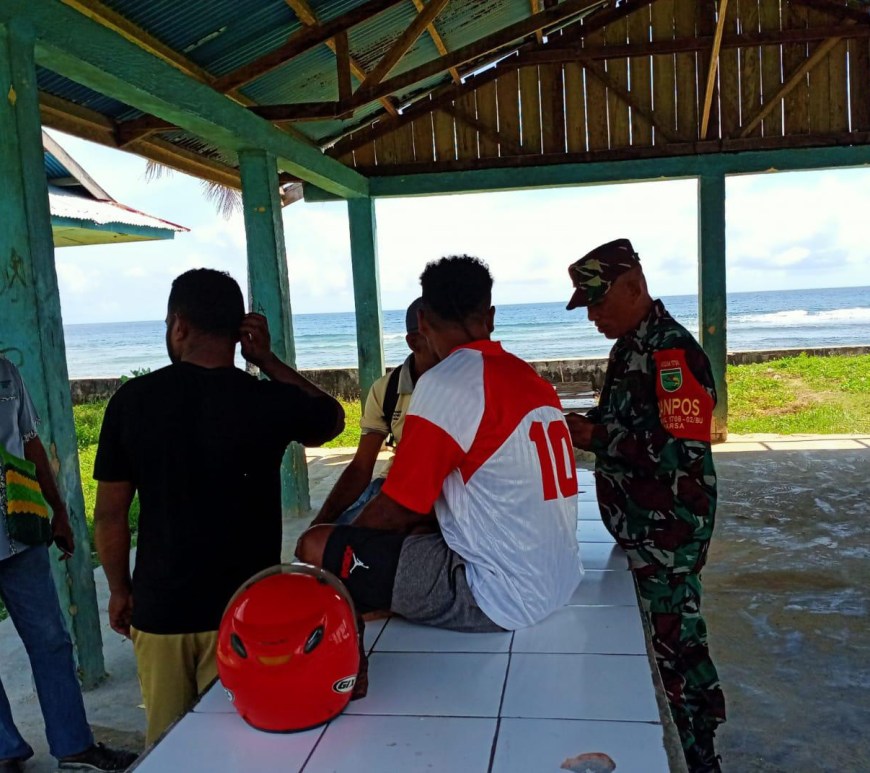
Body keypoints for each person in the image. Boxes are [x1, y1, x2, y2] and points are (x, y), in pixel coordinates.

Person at [93, 269, 344, 746]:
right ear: (240, 330)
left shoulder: (133, 401)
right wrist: (267, 360)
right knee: (239, 742)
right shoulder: (266, 400)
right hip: (245, 614)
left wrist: (120, 589)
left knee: (168, 746)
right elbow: (331, 420)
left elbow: (110, 514)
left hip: (161, 609)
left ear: (179, 325)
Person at [297, 255, 582, 650]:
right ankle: (388, 595)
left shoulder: (446, 382)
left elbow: (398, 508)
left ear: (423, 322)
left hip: (499, 597)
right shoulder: (530, 379)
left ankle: (374, 600)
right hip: (559, 577)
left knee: (315, 546)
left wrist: (341, 548)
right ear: (491, 317)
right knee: (412, 531)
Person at [563, 238, 725, 773]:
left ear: (633, 286)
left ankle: (700, 754)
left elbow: (681, 450)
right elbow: (630, 419)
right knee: (658, 644)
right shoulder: (629, 346)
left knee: (676, 647)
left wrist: (595, 437)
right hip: (641, 528)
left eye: (597, 301)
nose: (592, 315)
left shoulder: (671, 352)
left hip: (670, 533)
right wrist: (581, 422)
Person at [0, 357, 136, 772]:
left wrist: (59, 510)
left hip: (19, 531)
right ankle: (5, 750)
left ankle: (74, 747)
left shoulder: (7, 373)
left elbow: (31, 443)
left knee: (52, 641)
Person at [312, 298, 437, 527]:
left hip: (446, 494)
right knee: (334, 537)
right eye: (440, 335)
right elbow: (362, 466)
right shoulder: (386, 390)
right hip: (395, 487)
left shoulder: (469, 385)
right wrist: (322, 521)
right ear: (414, 342)